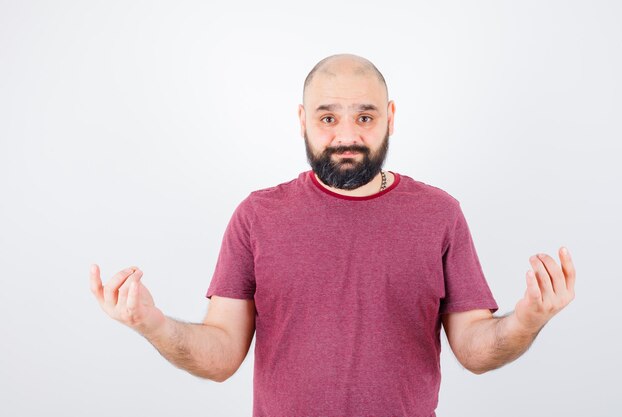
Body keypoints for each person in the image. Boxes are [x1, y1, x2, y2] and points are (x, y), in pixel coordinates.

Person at [90, 53, 577, 417]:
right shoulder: (257, 215)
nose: (347, 135)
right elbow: (220, 354)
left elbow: (473, 348)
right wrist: (151, 323)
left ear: (390, 117)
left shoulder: (440, 214)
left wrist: (528, 319)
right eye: (328, 117)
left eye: (365, 117)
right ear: (303, 120)